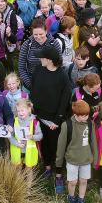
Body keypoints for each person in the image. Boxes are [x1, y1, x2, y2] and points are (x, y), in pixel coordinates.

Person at [32, 43, 74, 193]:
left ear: (49, 59)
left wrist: (57, 120)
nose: (40, 59)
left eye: (42, 57)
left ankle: (58, 175)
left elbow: (65, 98)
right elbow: (34, 90)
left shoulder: (62, 75)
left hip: (54, 120)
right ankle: (47, 167)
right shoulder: (38, 70)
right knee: (44, 144)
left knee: (56, 146)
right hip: (39, 117)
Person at [56, 100, 98, 203]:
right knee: (73, 182)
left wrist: (95, 159)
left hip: (86, 158)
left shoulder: (90, 123)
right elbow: (61, 145)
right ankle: (71, 197)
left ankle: (81, 199)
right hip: (72, 159)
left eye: (87, 115)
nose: (85, 118)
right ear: (75, 114)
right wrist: (58, 163)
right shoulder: (66, 125)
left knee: (84, 181)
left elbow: (93, 141)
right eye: (83, 116)